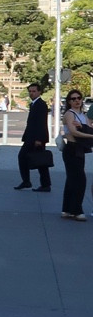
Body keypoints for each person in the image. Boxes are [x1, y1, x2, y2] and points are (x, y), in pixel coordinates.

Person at [60, 88, 93, 221]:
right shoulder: (69, 114)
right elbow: (73, 132)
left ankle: (67, 209)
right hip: (72, 148)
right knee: (80, 180)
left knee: (72, 180)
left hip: (80, 149)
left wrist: (86, 129)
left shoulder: (83, 115)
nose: (77, 101)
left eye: (79, 98)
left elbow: (89, 127)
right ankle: (76, 210)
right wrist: (90, 134)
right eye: (73, 99)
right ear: (69, 101)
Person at [15, 81, 51, 192]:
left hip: (36, 139)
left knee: (39, 161)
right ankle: (33, 182)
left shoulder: (40, 104)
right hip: (31, 138)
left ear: (39, 92)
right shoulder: (34, 104)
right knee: (36, 161)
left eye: (34, 91)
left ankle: (39, 184)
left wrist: (39, 139)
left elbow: (41, 123)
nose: (32, 93)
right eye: (30, 91)